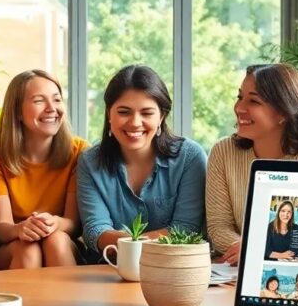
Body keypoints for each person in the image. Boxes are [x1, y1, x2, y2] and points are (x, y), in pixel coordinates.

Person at [208, 64, 298, 265]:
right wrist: (251, 250)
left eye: (254, 101)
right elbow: (218, 227)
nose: (239, 108)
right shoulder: (223, 151)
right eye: (240, 97)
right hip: (235, 271)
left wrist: (259, 250)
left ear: (284, 112)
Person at [77, 65, 207, 259]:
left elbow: (185, 229)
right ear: (108, 114)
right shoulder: (90, 162)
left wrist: (131, 245)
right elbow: (95, 230)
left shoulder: (190, 157)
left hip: (172, 270)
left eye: (147, 113)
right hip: (108, 272)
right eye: (124, 112)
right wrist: (137, 245)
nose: (135, 122)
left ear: (161, 116)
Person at [0, 70, 88, 269]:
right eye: (39, 101)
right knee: (28, 248)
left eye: (57, 100)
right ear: (17, 112)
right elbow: (1, 228)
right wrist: (21, 229)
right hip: (13, 246)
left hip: (62, 240)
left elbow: (74, 224)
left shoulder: (79, 151)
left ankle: (68, 301)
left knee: (56, 240)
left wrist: (52, 223)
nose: (52, 108)